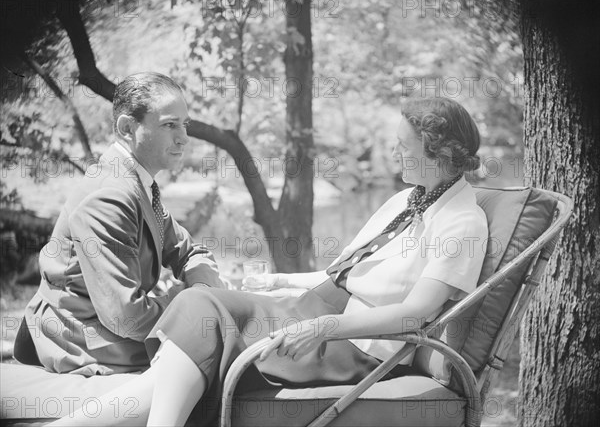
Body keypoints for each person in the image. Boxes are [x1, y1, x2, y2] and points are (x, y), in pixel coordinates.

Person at [50, 96, 488, 426]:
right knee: (201, 301)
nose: (394, 154)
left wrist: (324, 327)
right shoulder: (406, 200)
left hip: (358, 347)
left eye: (404, 147)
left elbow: (416, 315)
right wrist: (279, 279)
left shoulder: (462, 222)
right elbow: (345, 274)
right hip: (316, 311)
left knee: (202, 313)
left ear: (442, 155)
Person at [14, 72, 224, 376]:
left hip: (116, 328)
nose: (183, 137)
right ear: (127, 128)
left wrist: (203, 288)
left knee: (225, 329)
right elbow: (126, 317)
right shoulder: (111, 195)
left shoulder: (138, 183)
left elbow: (189, 252)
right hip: (84, 336)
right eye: (169, 125)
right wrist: (191, 303)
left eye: (184, 124)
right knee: (215, 351)